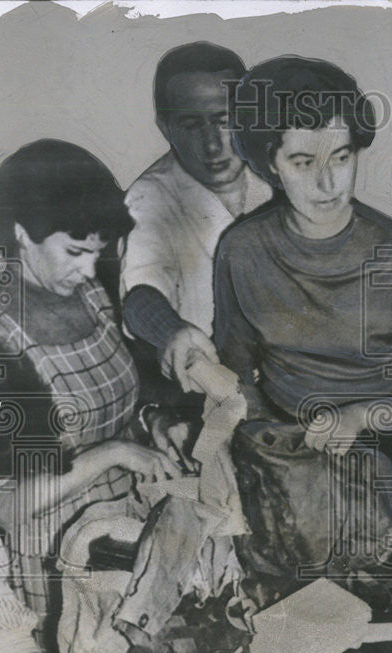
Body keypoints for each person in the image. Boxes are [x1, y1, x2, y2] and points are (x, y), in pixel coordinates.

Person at [213, 56, 392, 576]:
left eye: (340, 157)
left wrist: (359, 417)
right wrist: (263, 442)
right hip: (287, 441)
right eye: (302, 163)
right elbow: (235, 368)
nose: (327, 183)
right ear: (268, 163)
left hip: (388, 441)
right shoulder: (242, 250)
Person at [0, 140, 183, 625]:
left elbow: (117, 396)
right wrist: (115, 454)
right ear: (20, 235)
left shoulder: (89, 294)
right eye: (75, 251)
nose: (89, 269)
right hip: (59, 557)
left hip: (125, 525)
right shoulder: (0, 347)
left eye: (98, 253)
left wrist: (152, 422)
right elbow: (12, 508)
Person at [121, 42, 272, 393]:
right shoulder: (148, 199)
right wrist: (172, 332)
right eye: (191, 125)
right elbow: (140, 296)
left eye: (225, 121)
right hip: (209, 392)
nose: (213, 145)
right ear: (165, 127)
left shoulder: (276, 173)